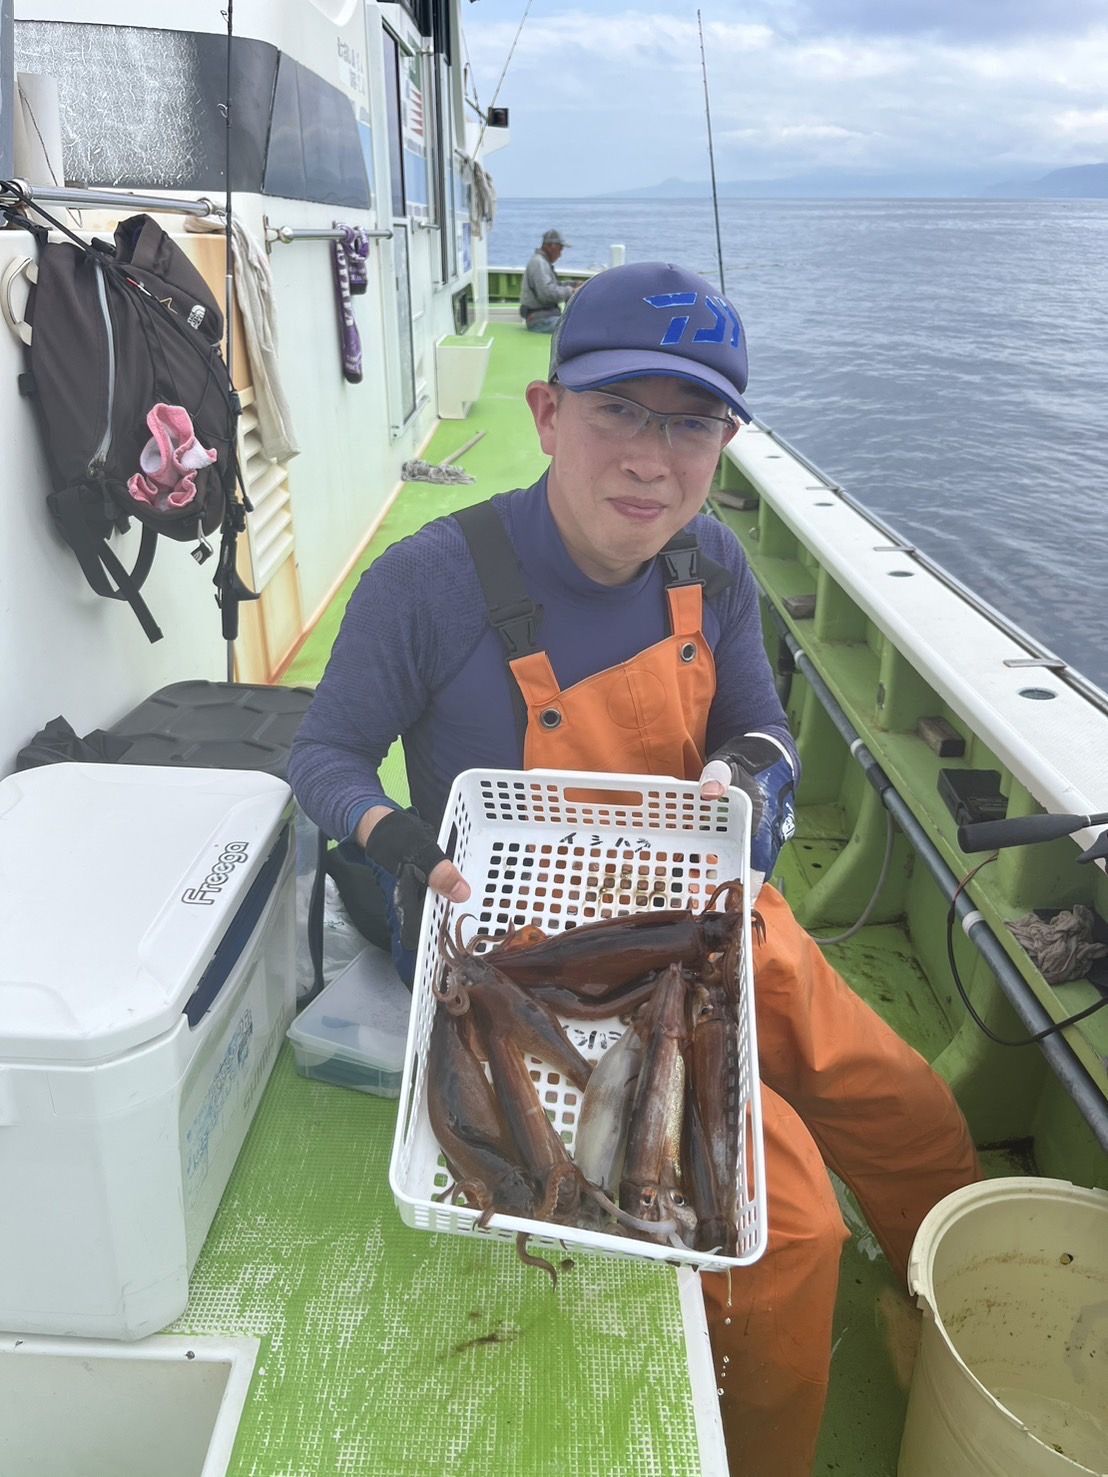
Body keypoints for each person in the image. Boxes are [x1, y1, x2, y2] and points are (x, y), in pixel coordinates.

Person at [289, 261, 981, 1476]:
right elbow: (325, 754)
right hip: (520, 948)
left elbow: (760, 729)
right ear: (548, 413)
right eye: (619, 410)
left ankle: (948, 1315)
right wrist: (391, 834)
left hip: (699, 909)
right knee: (790, 1233)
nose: (652, 459)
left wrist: (751, 785)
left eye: (691, 423)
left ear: (725, 444)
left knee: (901, 1099)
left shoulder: (710, 564)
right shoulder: (428, 583)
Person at [519, 228, 574, 332]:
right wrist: (570, 291)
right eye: (560, 249)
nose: (560, 254)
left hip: (545, 317)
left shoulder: (542, 262)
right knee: (576, 326)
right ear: (551, 246)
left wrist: (572, 284)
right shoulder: (539, 263)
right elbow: (547, 294)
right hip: (540, 320)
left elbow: (552, 285)